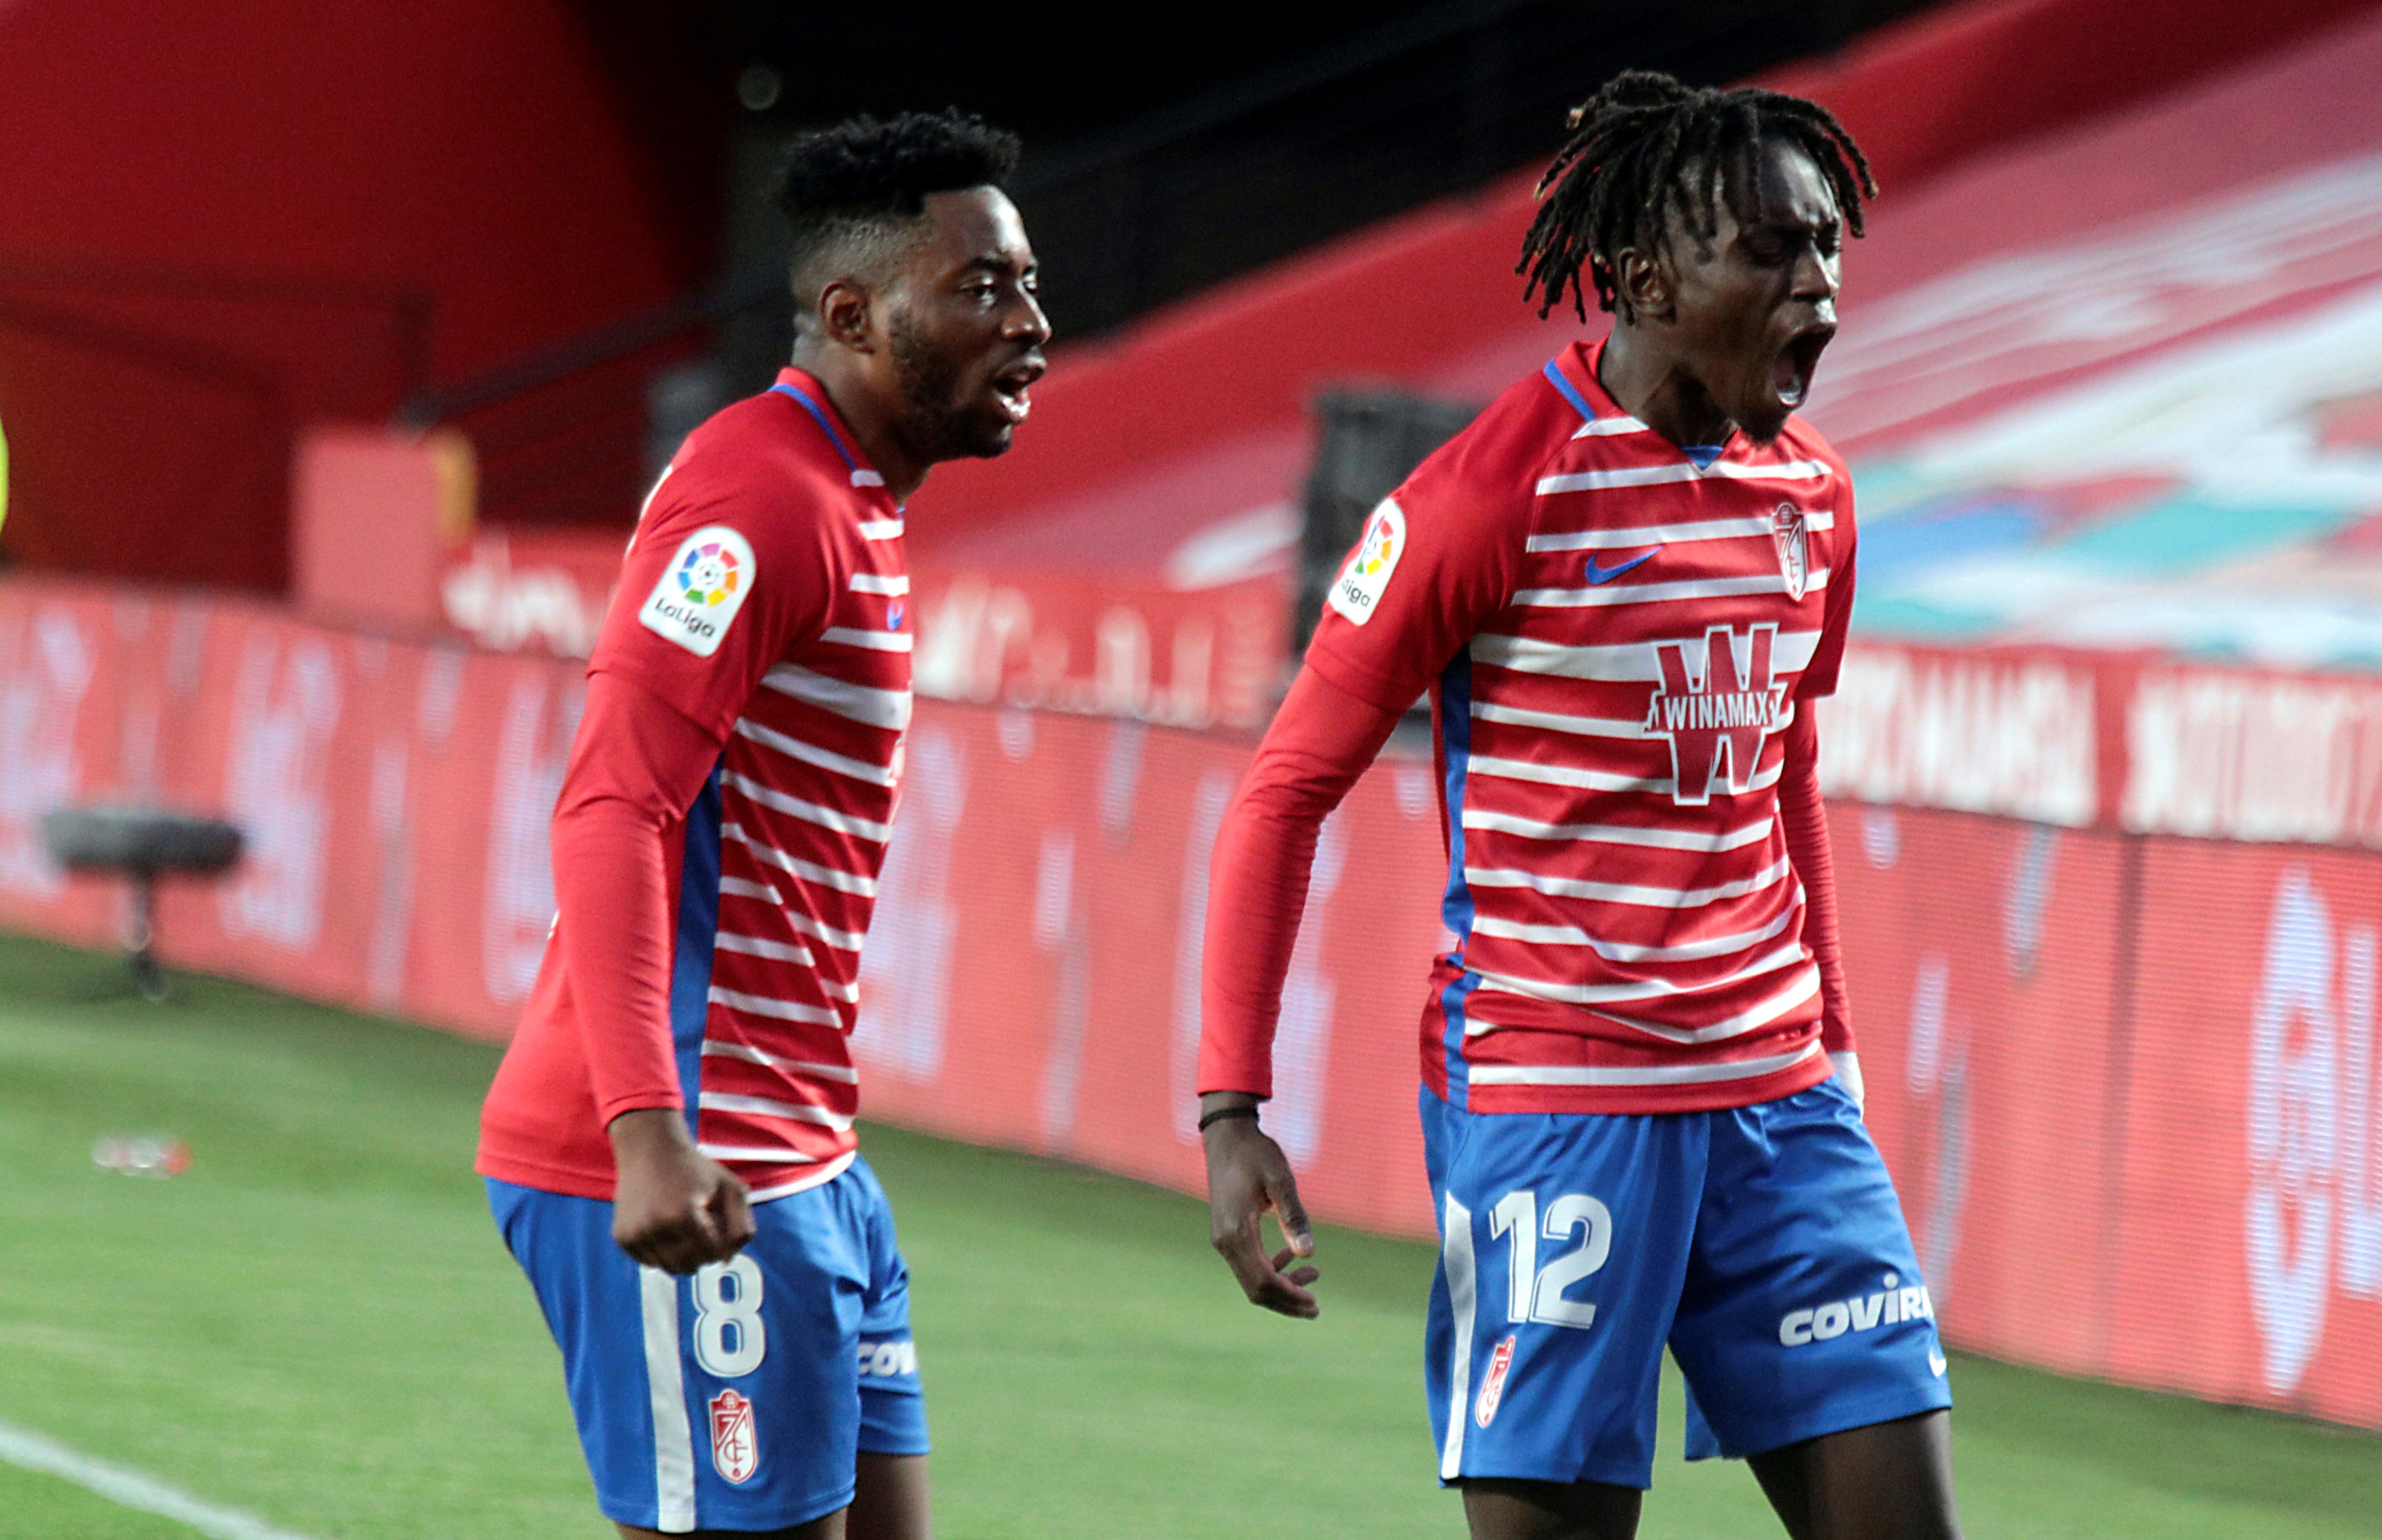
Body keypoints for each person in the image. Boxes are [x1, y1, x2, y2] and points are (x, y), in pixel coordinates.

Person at [1196, 72, 1962, 1540]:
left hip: (1780, 1101)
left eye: (1827, 253)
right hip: (1559, 1102)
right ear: (1641, 278)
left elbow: (1777, 771)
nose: (1816, 290)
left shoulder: (1811, 497)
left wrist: (1841, 1045)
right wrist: (1231, 1107)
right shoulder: (1487, 497)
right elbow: (1286, 789)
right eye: (1771, 254)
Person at [476, 109, 1048, 1540]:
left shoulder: (844, 502)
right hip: (698, 1146)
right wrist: (648, 1132)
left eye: (1029, 282)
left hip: (804, 1151)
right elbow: (615, 801)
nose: (1030, 323)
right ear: (850, 314)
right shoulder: (760, 499)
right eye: (982, 287)